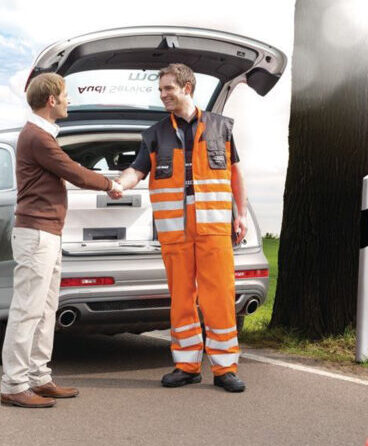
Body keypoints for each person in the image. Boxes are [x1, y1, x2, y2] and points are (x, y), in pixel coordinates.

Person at [113, 63, 247, 392]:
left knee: (220, 298)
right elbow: (137, 170)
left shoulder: (221, 127)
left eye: (168, 89)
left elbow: (235, 174)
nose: (163, 95)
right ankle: (186, 365)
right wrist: (120, 184)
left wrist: (239, 214)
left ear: (187, 88)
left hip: (214, 229)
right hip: (176, 232)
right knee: (182, 299)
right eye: (160, 90)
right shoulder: (155, 133)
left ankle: (224, 368)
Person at [0, 73, 124, 408]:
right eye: (66, 95)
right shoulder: (37, 136)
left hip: (48, 233)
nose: (69, 101)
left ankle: (39, 378)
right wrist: (110, 184)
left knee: (45, 308)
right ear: (51, 100)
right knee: (27, 309)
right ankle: (13, 384)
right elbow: (74, 172)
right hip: (36, 233)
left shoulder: (40, 134)